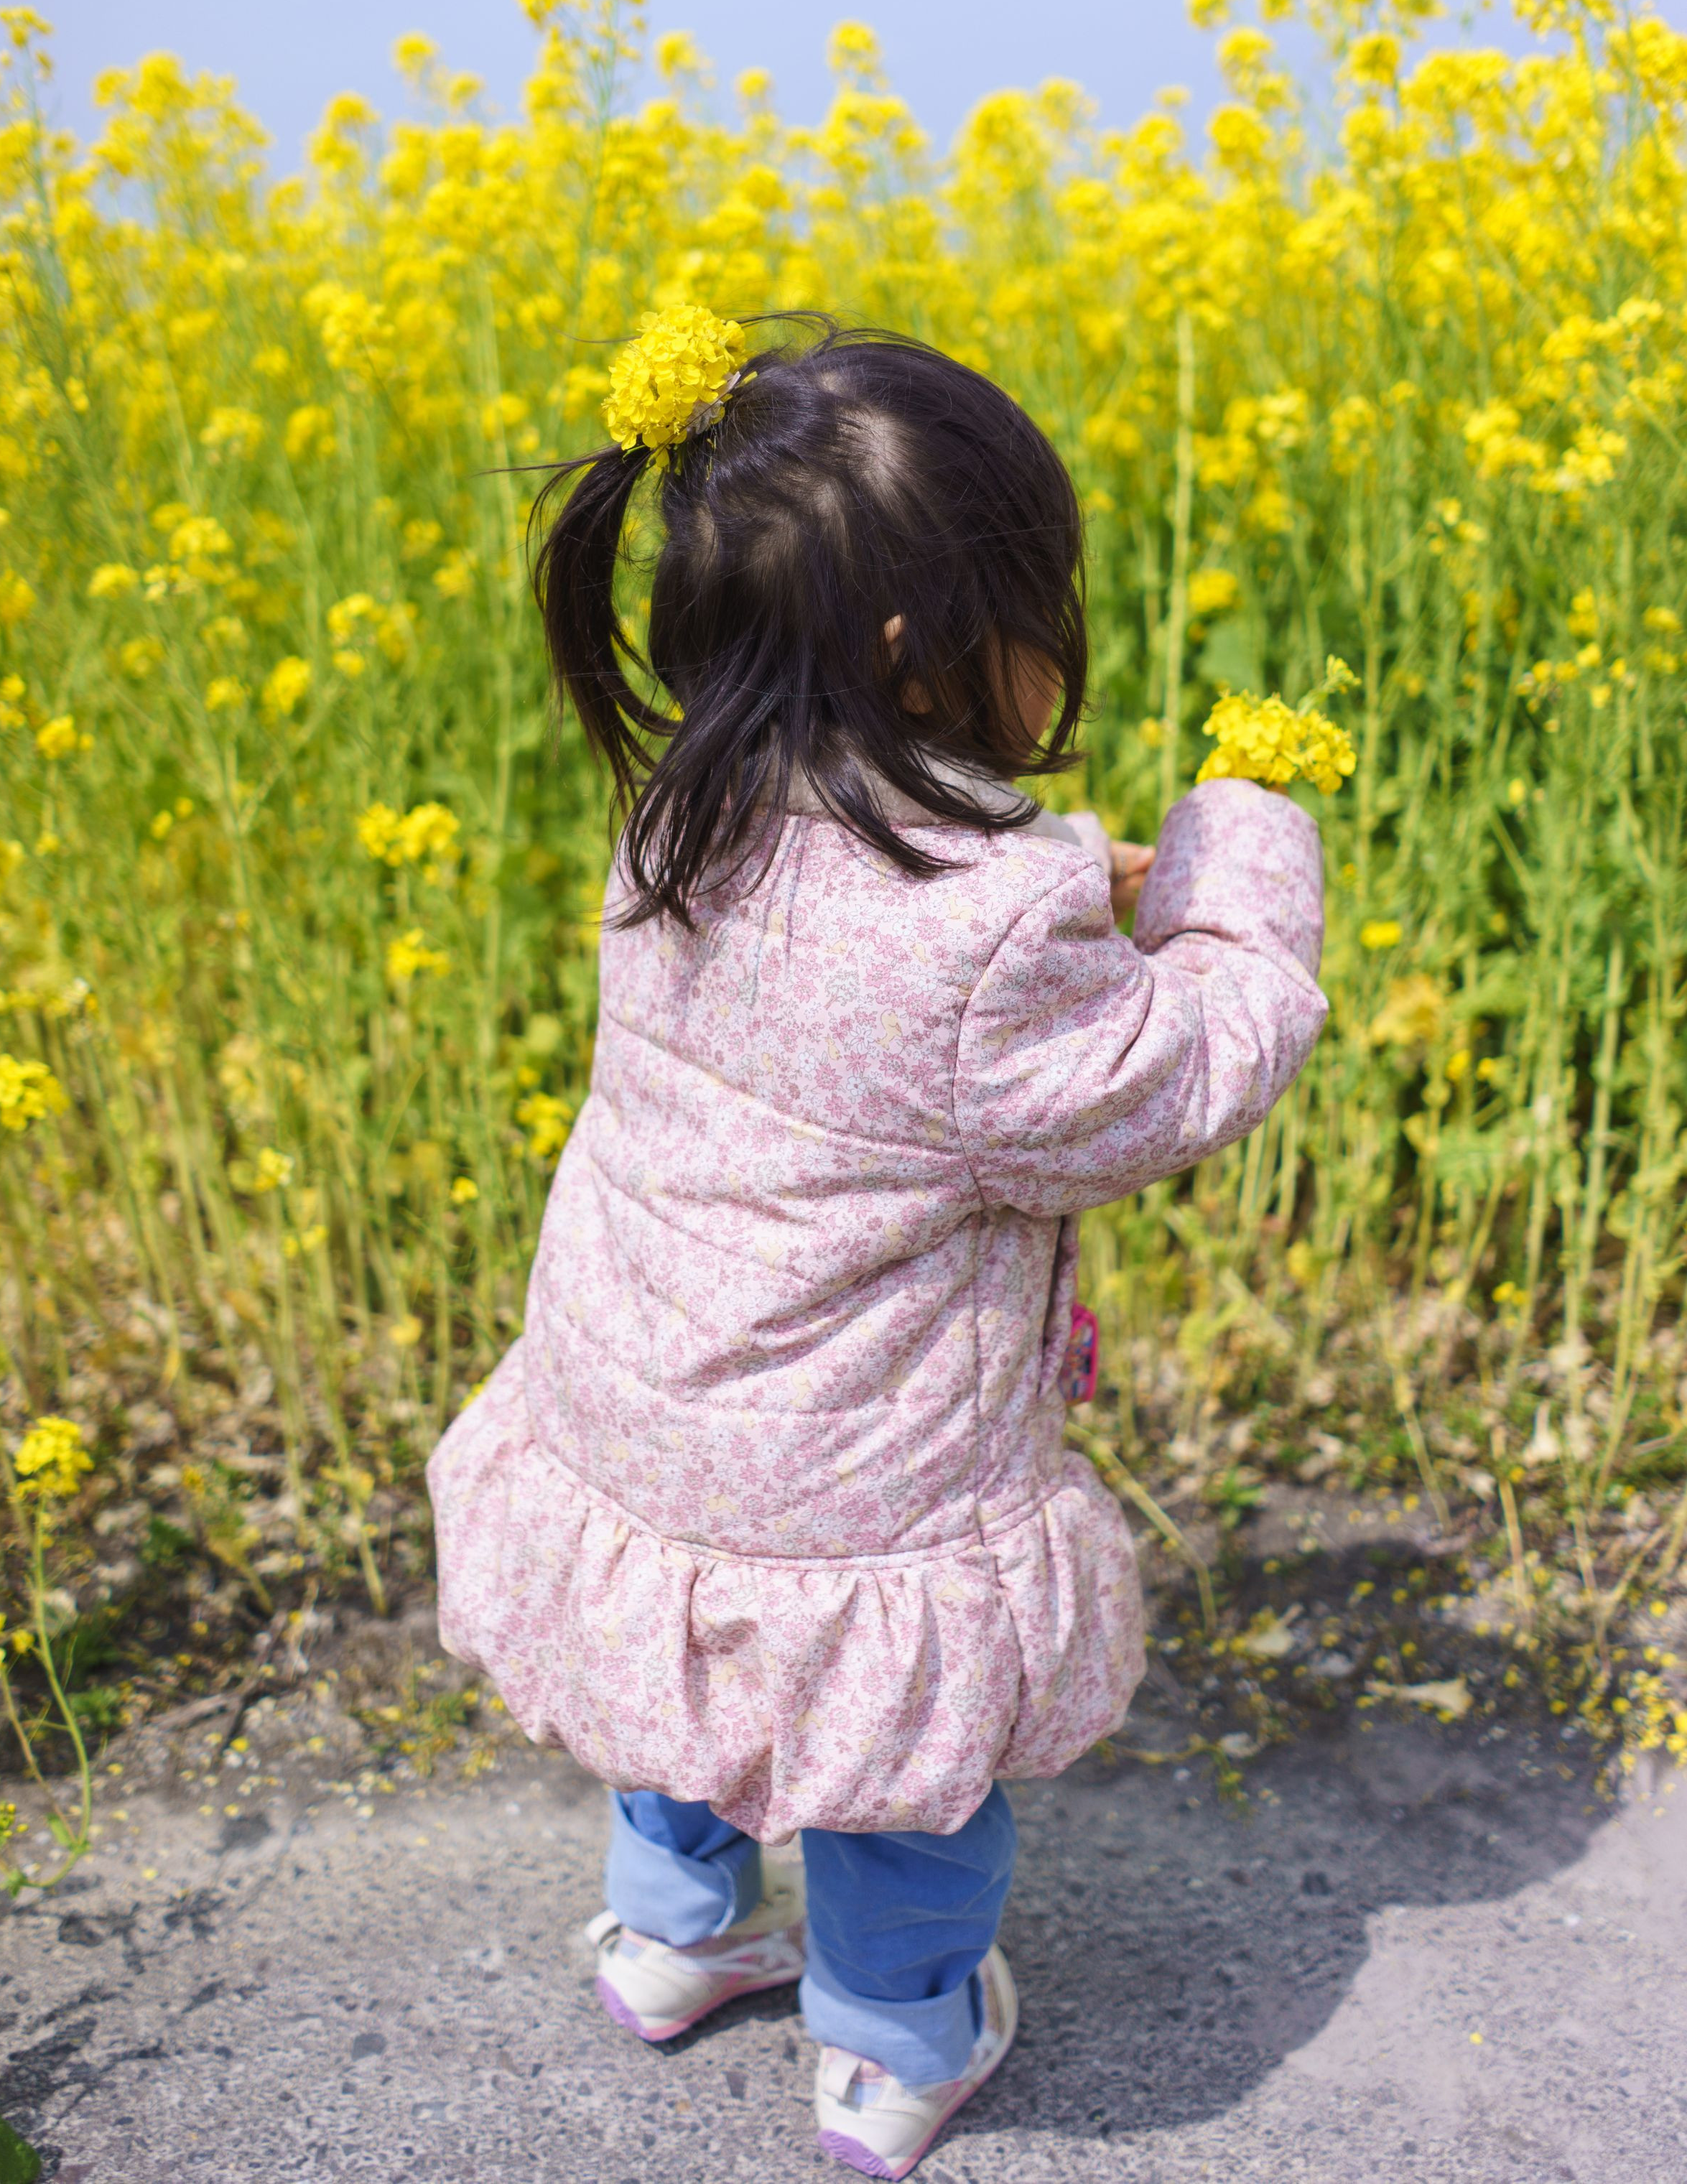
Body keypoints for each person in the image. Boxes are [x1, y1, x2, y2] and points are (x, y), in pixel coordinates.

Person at [428, 311, 1326, 2178]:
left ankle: (671, 1944)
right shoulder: (986, 942)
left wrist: (1070, 881)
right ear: (924, 649)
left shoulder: (681, 817)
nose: (1057, 639)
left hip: (639, 1411)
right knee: (896, 1776)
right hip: (851, 1477)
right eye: (1038, 602)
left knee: (676, 1702)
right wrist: (1236, 864)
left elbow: (887, 939)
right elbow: (1184, 1068)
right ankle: (896, 2042)